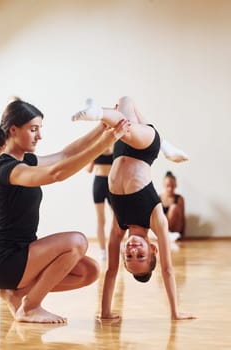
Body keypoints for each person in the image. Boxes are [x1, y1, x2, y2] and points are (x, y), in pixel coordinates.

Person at [0, 98, 129, 324]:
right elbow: (55, 174)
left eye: (40, 129)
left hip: (21, 255)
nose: (39, 136)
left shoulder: (26, 160)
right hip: (4, 260)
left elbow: (64, 155)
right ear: (13, 130)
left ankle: (17, 294)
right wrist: (106, 141)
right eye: (33, 129)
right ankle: (30, 307)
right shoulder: (6, 168)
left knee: (88, 271)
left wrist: (102, 127)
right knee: (77, 242)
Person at [72, 96, 195, 320]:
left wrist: (106, 312)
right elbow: (167, 270)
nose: (133, 250)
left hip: (121, 149)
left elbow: (110, 272)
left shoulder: (119, 227)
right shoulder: (156, 218)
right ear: (153, 249)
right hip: (145, 149)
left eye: (129, 257)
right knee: (126, 108)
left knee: (126, 108)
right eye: (141, 255)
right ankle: (99, 113)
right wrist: (175, 312)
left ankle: (165, 146)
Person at [86, 147, 114, 260]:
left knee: (117, 219)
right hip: (99, 185)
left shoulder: (116, 148)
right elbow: (88, 169)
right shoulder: (96, 149)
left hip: (112, 184)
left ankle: (117, 245)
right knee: (101, 220)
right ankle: (103, 251)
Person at [159, 171, 185, 239]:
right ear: (164, 185)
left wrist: (183, 234)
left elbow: (182, 218)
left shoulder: (179, 198)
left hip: (175, 229)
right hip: (163, 228)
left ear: (176, 185)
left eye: (172, 186)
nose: (170, 189)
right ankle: (164, 234)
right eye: (168, 186)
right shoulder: (159, 198)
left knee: (174, 207)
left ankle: (167, 234)